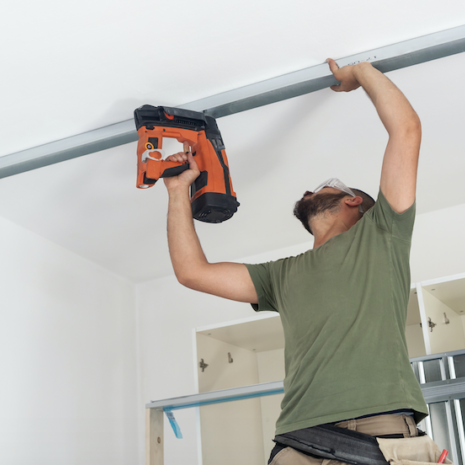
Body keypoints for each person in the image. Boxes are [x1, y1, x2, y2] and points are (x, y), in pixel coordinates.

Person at [162, 58, 429, 464]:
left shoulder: (382, 235)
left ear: (353, 201)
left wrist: (360, 72)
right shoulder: (280, 275)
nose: (307, 191)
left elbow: (406, 129)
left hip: (377, 432)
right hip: (299, 439)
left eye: (322, 187)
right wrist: (177, 191)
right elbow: (192, 272)